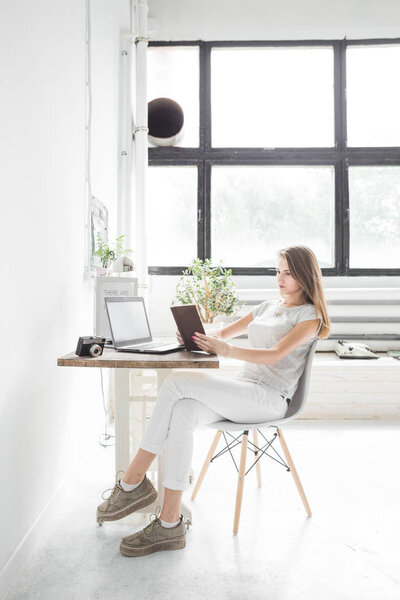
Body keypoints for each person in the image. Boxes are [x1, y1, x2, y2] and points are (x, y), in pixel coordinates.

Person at [96, 245, 330, 557]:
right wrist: (196, 338)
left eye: (288, 273)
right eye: (277, 271)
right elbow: (222, 333)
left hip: (270, 398)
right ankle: (169, 524)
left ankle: (132, 480)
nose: (280, 278)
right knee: (183, 410)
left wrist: (226, 350)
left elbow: (275, 354)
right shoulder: (265, 307)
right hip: (244, 390)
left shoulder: (310, 317)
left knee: (177, 381)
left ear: (304, 274)